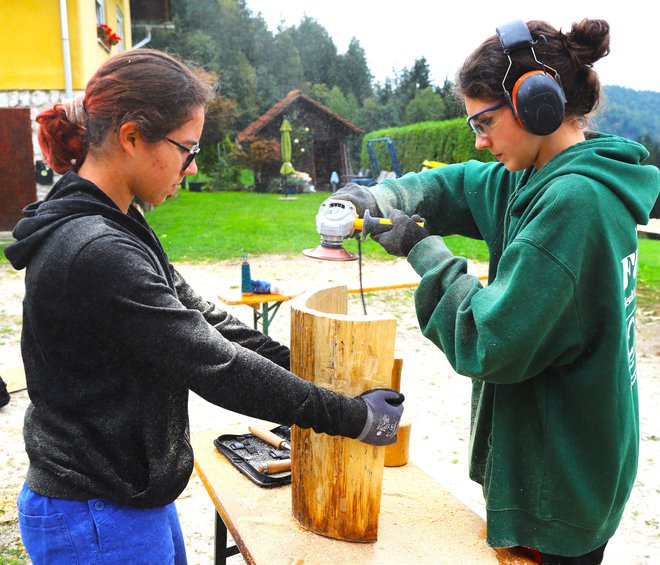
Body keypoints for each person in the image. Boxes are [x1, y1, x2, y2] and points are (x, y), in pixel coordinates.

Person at [4, 49, 404, 565]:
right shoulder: (95, 248)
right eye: (186, 150)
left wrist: (309, 368)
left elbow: (205, 321)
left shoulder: (118, 223)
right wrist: (351, 417)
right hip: (95, 512)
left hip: (126, 494)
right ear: (131, 137)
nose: (190, 169)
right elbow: (214, 364)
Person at [333, 18, 660, 565]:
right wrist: (382, 196)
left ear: (537, 105)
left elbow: (488, 340)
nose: (480, 142)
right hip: (572, 455)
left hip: (562, 477)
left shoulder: (574, 203)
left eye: (484, 122)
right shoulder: (541, 175)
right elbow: (456, 183)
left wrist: (423, 248)